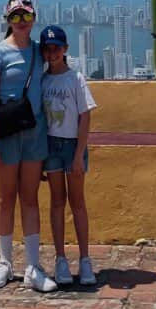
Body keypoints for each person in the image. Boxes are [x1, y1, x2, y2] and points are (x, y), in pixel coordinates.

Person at [0, 0, 56, 292]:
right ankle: (4, 261)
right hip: (7, 133)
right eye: (16, 17)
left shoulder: (40, 54)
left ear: (34, 18)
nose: (22, 22)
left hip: (34, 132)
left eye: (26, 16)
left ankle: (33, 266)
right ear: (8, 21)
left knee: (30, 198)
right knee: (5, 198)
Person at [40, 25, 97, 286]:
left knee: (78, 202)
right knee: (56, 202)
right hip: (50, 146)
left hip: (73, 145)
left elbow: (85, 116)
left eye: (57, 48)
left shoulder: (76, 79)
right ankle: (60, 258)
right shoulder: (42, 81)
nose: (52, 53)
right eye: (48, 48)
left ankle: (85, 258)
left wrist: (78, 154)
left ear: (65, 50)